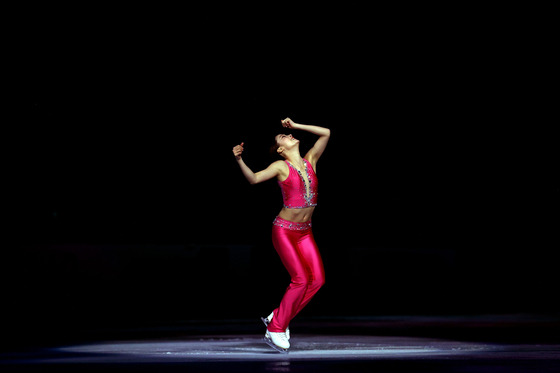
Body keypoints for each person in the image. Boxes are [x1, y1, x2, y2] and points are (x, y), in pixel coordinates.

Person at [232, 118, 330, 353]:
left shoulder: (310, 161)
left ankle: (278, 317)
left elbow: (326, 132)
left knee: (317, 280)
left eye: (287, 134)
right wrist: (238, 159)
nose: (287, 136)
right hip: (284, 231)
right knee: (301, 280)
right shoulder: (280, 166)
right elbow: (254, 179)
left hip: (305, 232)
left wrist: (295, 126)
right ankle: (276, 327)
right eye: (282, 137)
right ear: (280, 149)